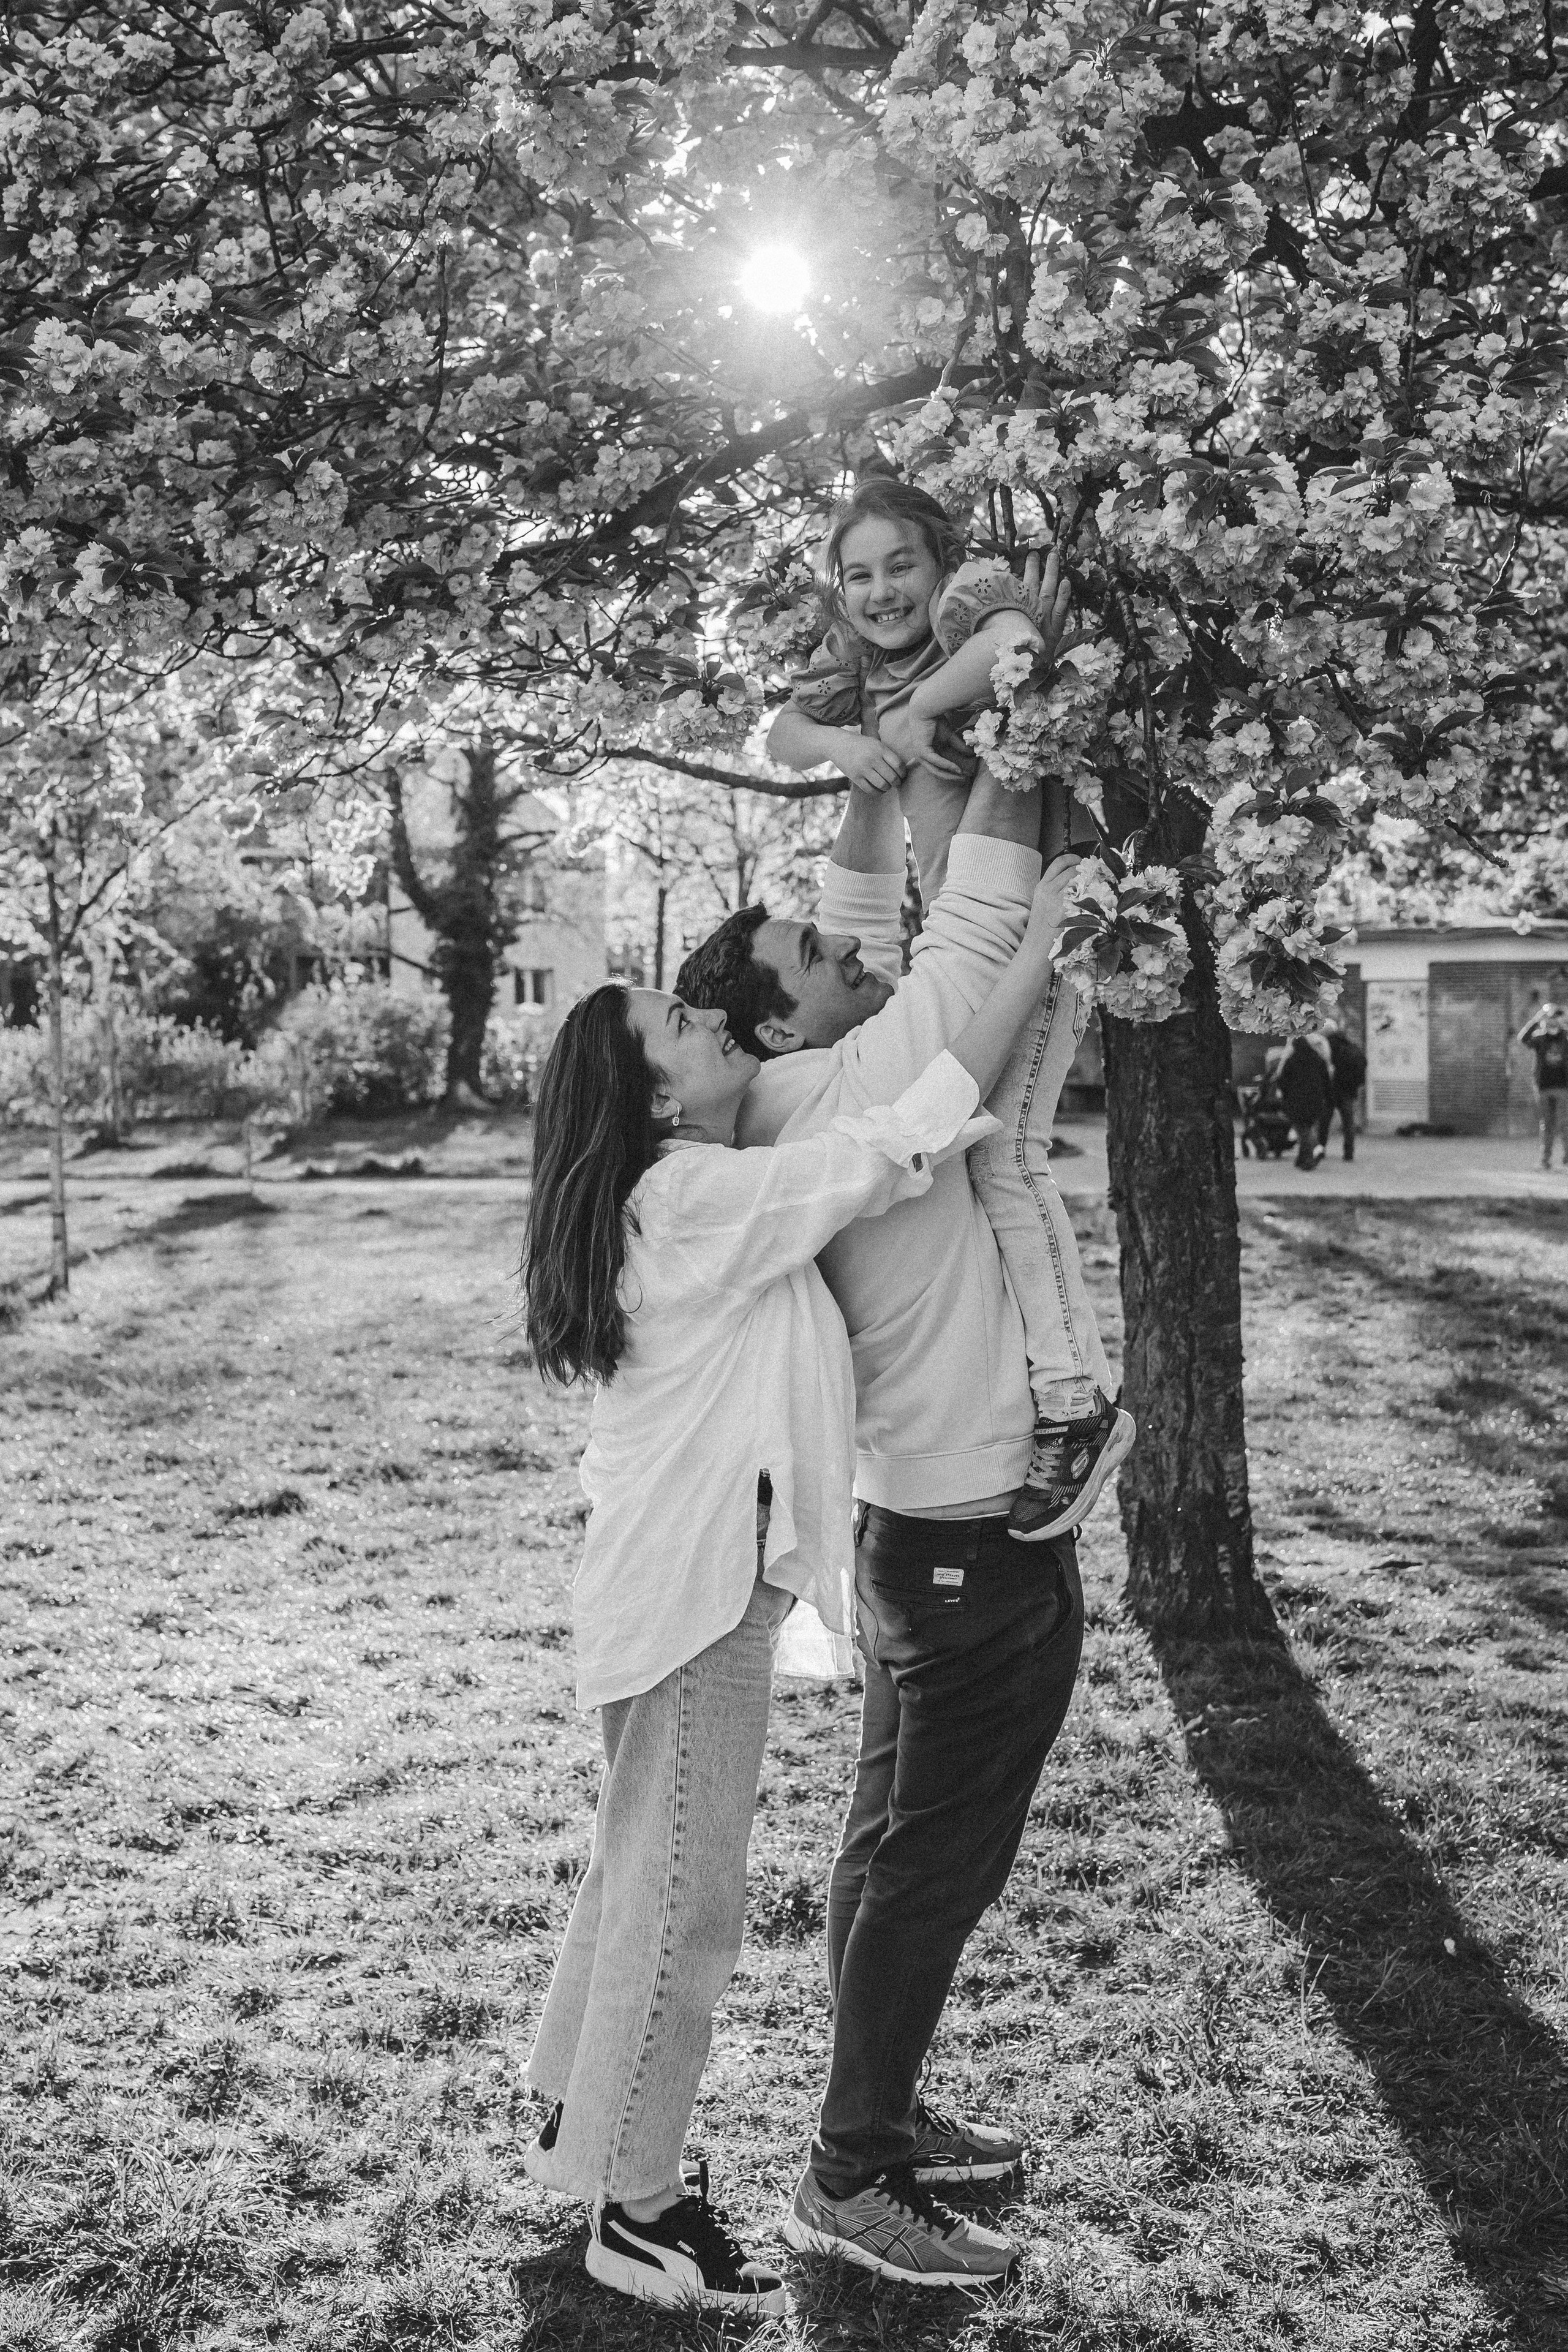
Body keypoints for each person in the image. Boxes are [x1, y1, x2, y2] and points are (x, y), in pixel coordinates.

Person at [520, 862, 1079, 2315]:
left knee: (636, 1869)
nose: (708, 1020)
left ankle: (577, 2125)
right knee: (686, 1906)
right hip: (695, 1598)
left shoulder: (676, 1189)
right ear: (656, 1098)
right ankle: (634, 2211)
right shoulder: (699, 1196)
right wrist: (1029, 947)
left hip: (667, 1584)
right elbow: (898, 1136)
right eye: (681, 1025)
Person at [676, 763, 1098, 2285]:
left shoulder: (798, 1078)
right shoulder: (849, 1088)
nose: (856, 943)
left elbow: (865, 919)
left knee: (888, 1845)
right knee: (931, 1864)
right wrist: (1012, 731)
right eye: (819, 955)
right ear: (784, 1021)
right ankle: (851, 2174)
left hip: (922, 1531)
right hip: (965, 1537)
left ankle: (877, 2116)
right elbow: (969, 919)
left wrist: (880, 772)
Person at [766, 478, 1132, 1543]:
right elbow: (780, 734)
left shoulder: (967, 607)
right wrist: (849, 747)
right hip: (978, 919)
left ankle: (1075, 1401)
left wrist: (924, 708)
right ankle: (1052, 1388)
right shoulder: (857, 663)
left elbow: (1018, 638)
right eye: (861, 573)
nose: (882, 592)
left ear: (941, 559)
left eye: (900, 566)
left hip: (1032, 913)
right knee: (992, 1153)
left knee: (1007, 1152)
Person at [1270, 1035, 1333, 1170]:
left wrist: (1285, 1096)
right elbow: (1326, 1081)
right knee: (1307, 1128)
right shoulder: (1318, 1060)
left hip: (1296, 1101)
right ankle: (1302, 1158)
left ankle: (1312, 1155)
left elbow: (1283, 1082)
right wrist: (1327, 1098)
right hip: (1315, 1101)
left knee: (1302, 1130)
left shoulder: (1292, 1061)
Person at [1518, 1001, 1568, 1167]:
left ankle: (1567, 1158)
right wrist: (1537, 1018)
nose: (1553, 1020)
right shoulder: (1539, 1038)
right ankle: (1545, 1160)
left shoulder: (1566, 1037)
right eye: (1550, 1017)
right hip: (1543, 1088)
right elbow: (1523, 1038)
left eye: (1555, 1017)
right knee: (1547, 1125)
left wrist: (1565, 1019)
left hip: (1563, 1087)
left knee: (1565, 1124)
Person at [1319, 1022, 1366, 1159]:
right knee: (1348, 1123)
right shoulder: (1351, 1046)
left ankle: (1321, 1149)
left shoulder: (1327, 1045)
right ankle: (1349, 1152)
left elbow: (1324, 1068)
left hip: (1331, 1090)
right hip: (1349, 1091)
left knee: (1324, 1122)